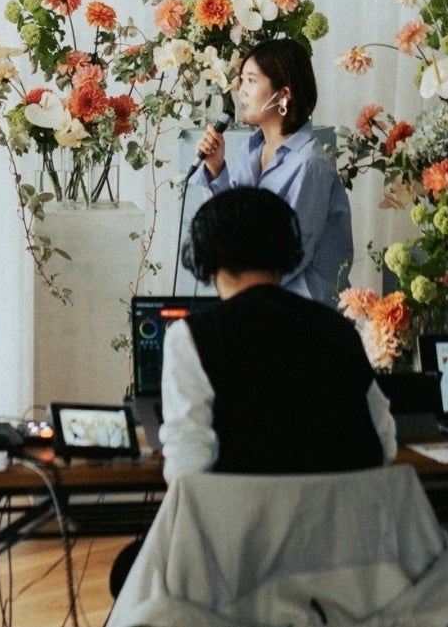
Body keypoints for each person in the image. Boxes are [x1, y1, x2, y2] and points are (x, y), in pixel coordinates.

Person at [159, 187, 397, 483]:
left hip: (242, 513)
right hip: (339, 512)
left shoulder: (191, 337)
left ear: (202, 257)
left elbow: (186, 468)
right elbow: (384, 445)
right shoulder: (338, 329)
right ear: (288, 251)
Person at [190, 38, 354, 307]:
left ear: (283, 94)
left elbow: (290, 258)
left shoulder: (309, 164)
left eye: (251, 80)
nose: (241, 90)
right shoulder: (252, 149)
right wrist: (216, 169)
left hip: (302, 312)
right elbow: (229, 228)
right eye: (241, 80)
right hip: (257, 302)